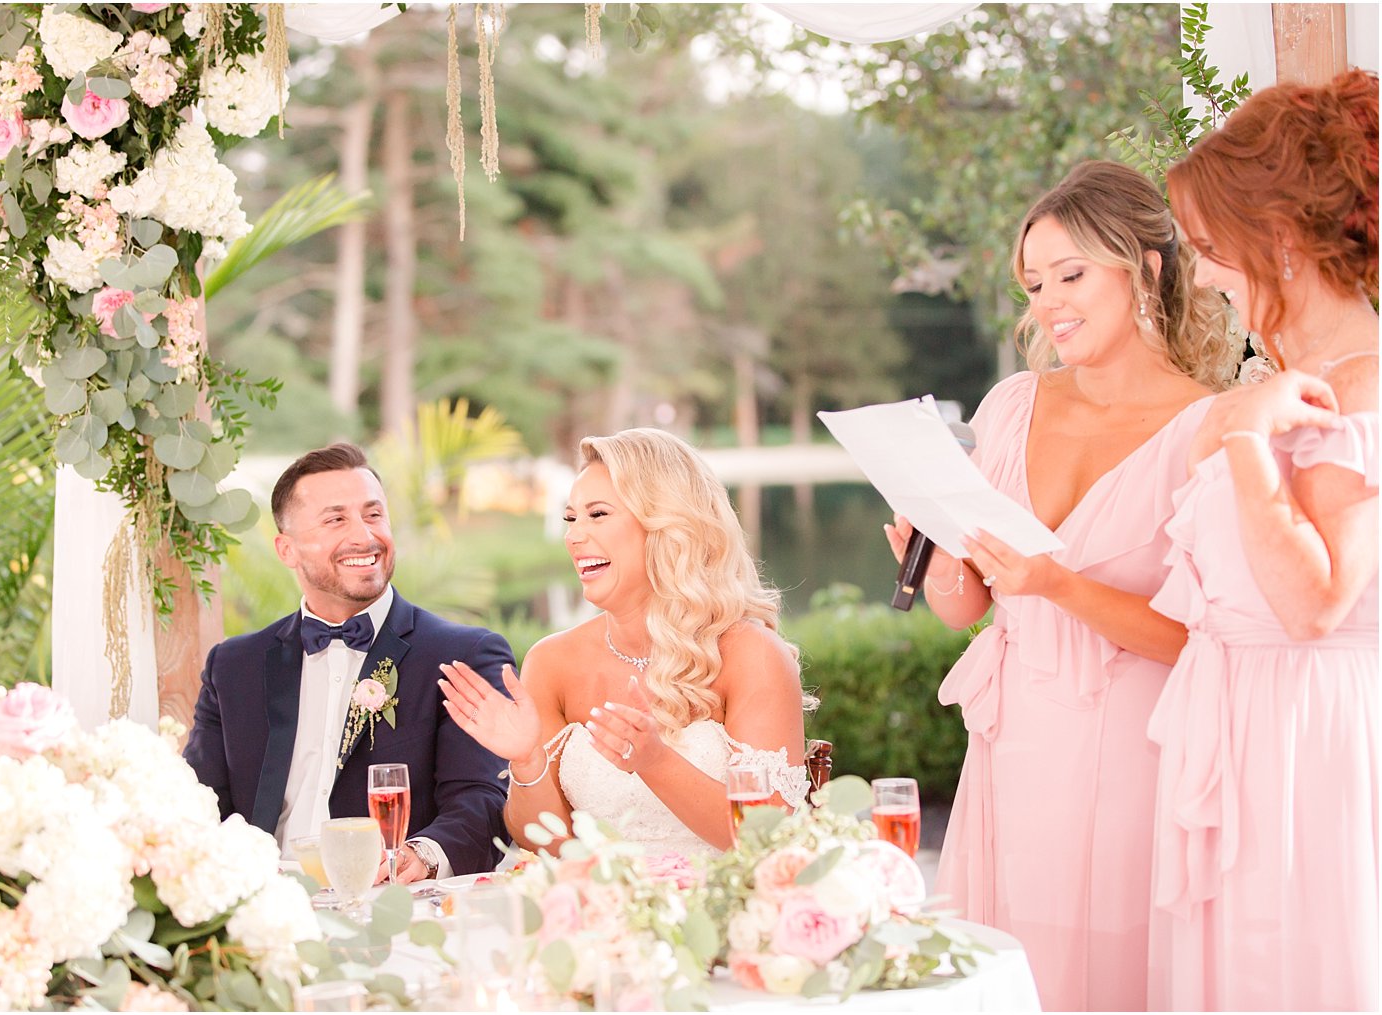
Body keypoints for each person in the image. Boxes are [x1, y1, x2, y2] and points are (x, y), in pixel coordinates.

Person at [882, 160, 1238, 1010]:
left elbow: (1202, 644)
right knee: (1009, 965)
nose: (1048, 304)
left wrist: (1057, 583)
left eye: (1071, 275)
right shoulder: (1010, 406)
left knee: (1113, 974)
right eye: (1035, 284)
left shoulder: (1209, 428)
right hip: (1014, 746)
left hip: (1136, 751)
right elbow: (971, 610)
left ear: (1146, 266)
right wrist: (940, 565)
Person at [1147, 69, 1378, 1011]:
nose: (1199, 274)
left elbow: (1317, 604)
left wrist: (1243, 437)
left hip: (1304, 746)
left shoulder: (1354, 393)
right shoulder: (1294, 376)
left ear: (1279, 241)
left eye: (1209, 248)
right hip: (1240, 729)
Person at [439, 427, 810, 858]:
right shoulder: (551, 661)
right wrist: (526, 763)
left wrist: (655, 762)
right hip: (596, 908)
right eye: (570, 518)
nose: (574, 537)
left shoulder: (752, 655)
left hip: (721, 909)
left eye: (597, 515)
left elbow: (765, 837)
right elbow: (548, 843)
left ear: (666, 525)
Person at [183, 442, 513, 881]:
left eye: (374, 515)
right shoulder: (233, 666)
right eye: (336, 519)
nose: (364, 535)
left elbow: (483, 799)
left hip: (391, 907)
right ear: (287, 550)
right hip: (260, 903)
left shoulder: (463, 656)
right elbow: (200, 803)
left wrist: (424, 855)